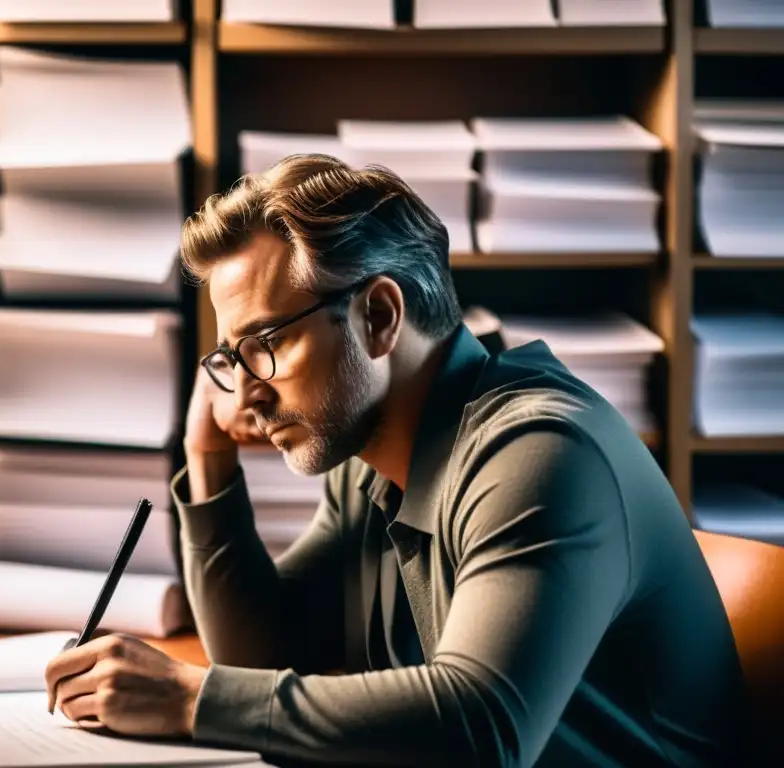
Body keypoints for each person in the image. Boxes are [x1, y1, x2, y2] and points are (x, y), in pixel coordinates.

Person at [45, 155, 756, 766]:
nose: (248, 389)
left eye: (265, 343)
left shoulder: (541, 454)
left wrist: (185, 695)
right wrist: (208, 461)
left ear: (380, 317)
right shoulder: (372, 462)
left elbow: (482, 726)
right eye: (233, 357)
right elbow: (258, 657)